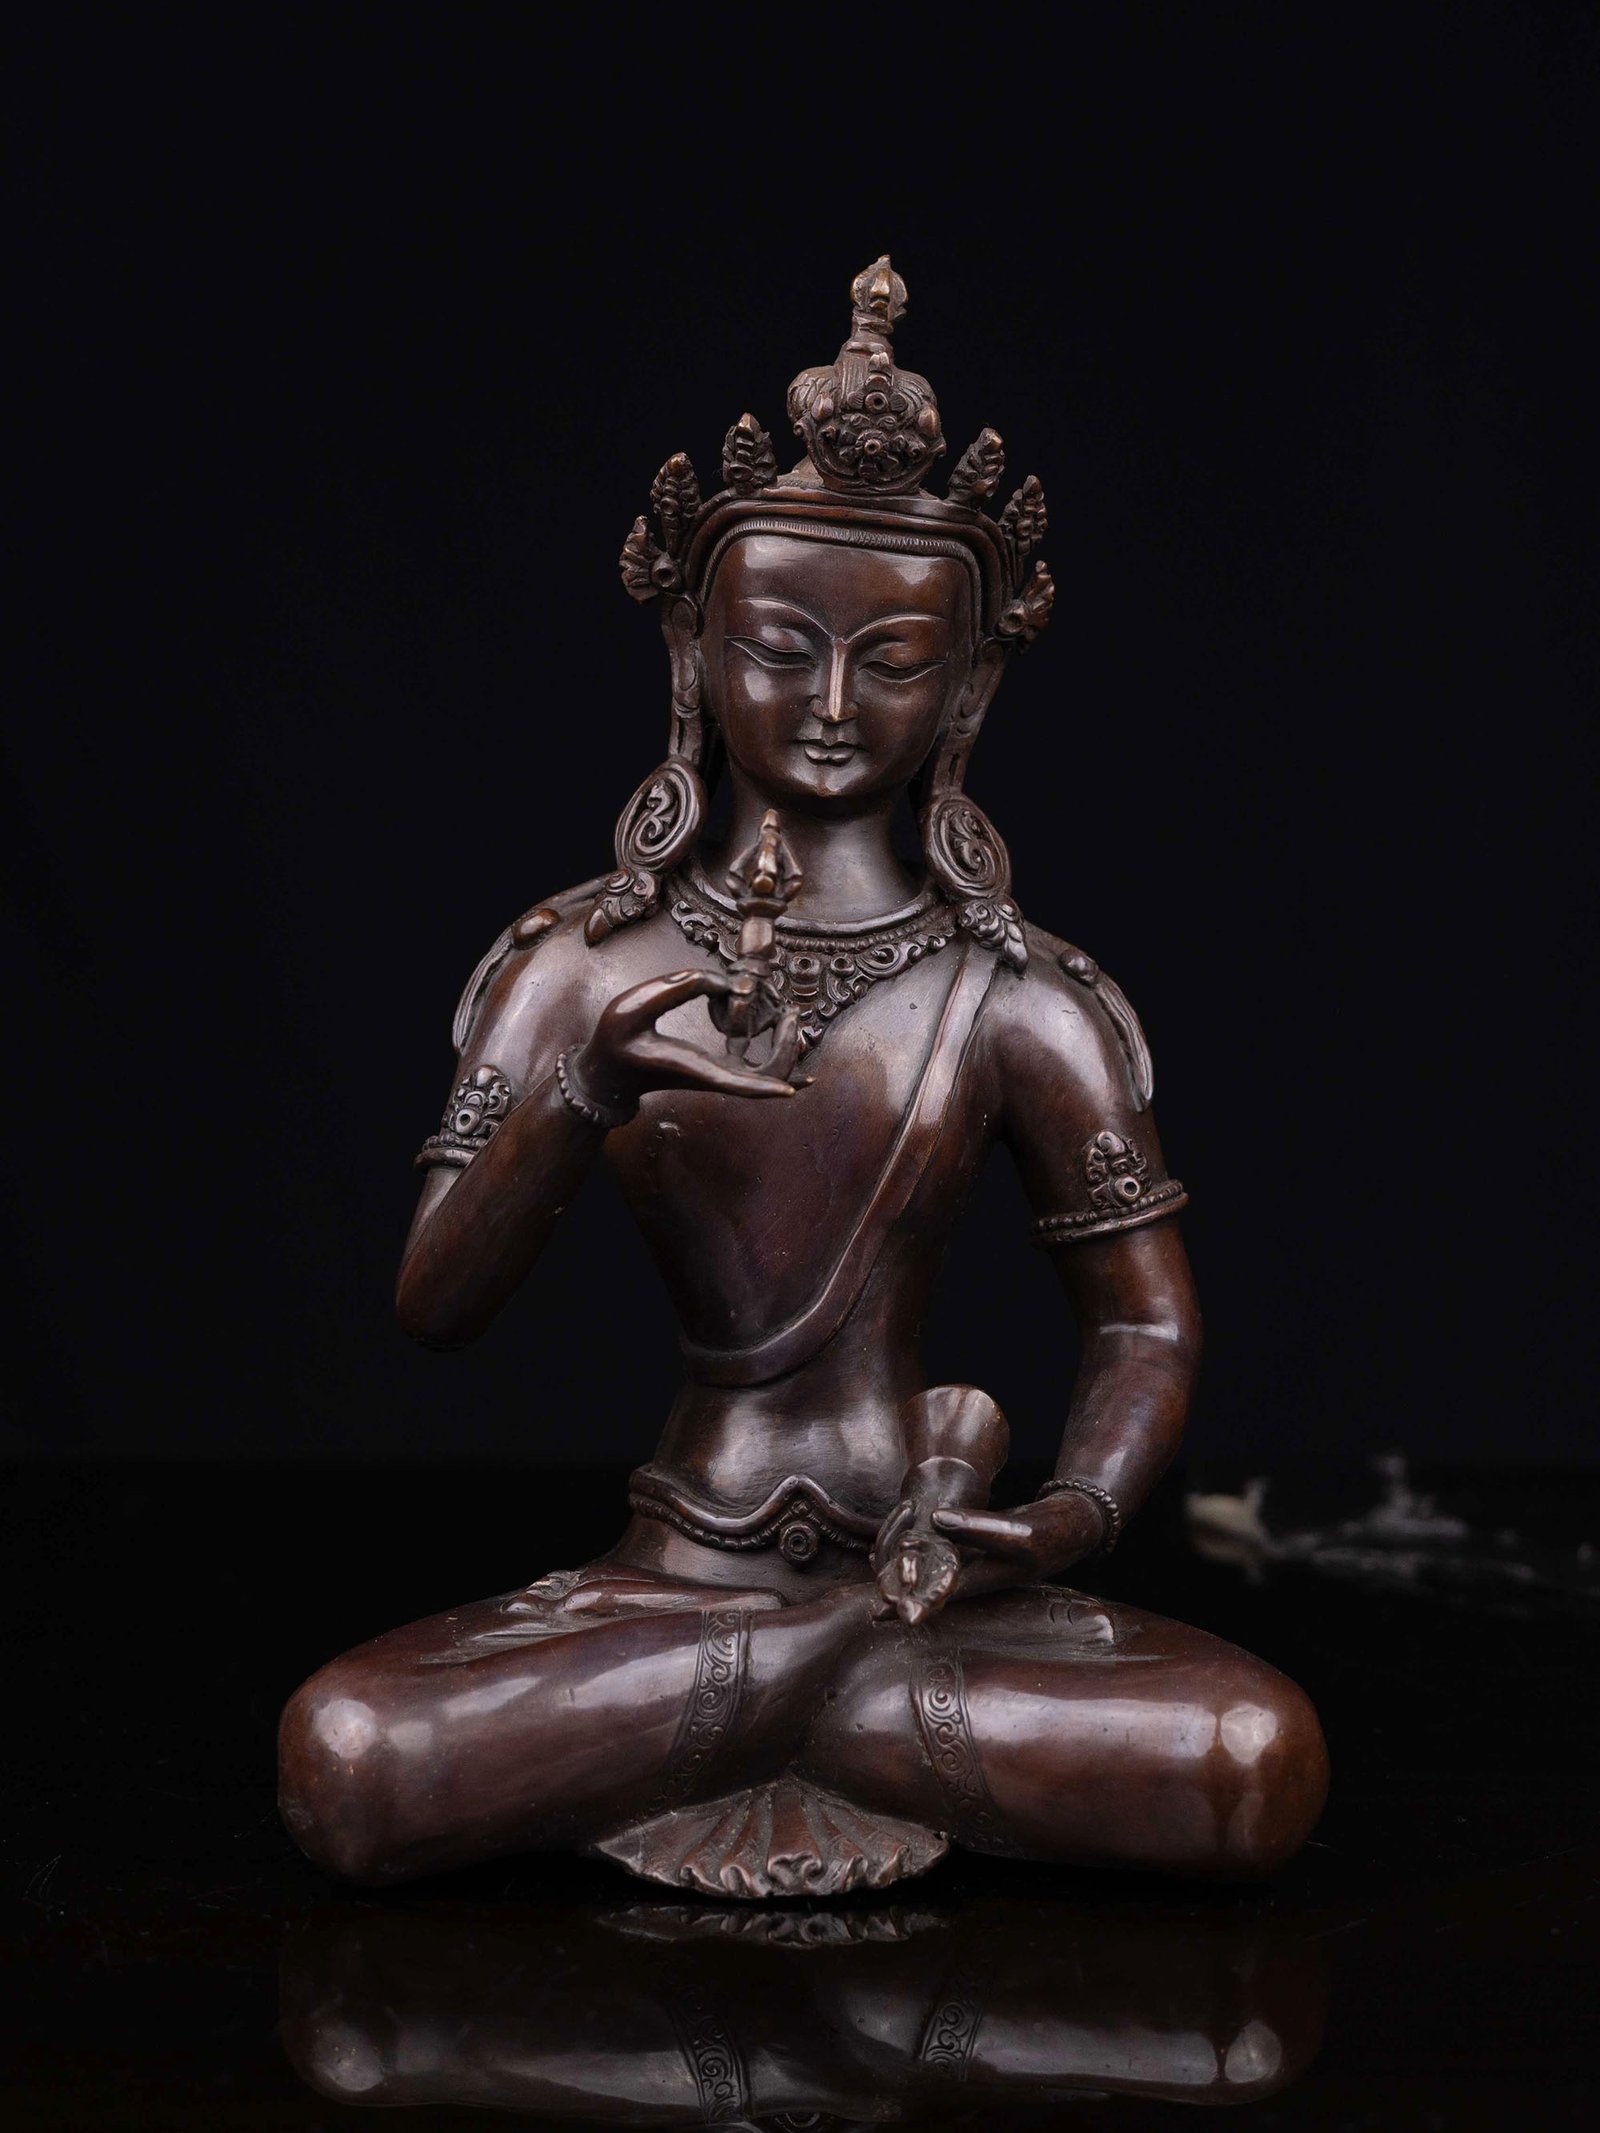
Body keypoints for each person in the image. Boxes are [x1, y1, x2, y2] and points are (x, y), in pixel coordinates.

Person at [279, 259, 1328, 1897]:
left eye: (893, 660)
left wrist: (1063, 1521)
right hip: (675, 1571)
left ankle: (772, 1695)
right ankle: (806, 1682)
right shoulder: (584, 967)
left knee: (1248, 1756)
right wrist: (579, 1090)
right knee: (350, 1753)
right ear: (694, 654)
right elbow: (434, 1300)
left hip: (926, 1576)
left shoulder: (1014, 994)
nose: (833, 705)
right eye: (779, 647)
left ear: (968, 683)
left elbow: (1144, 1324)